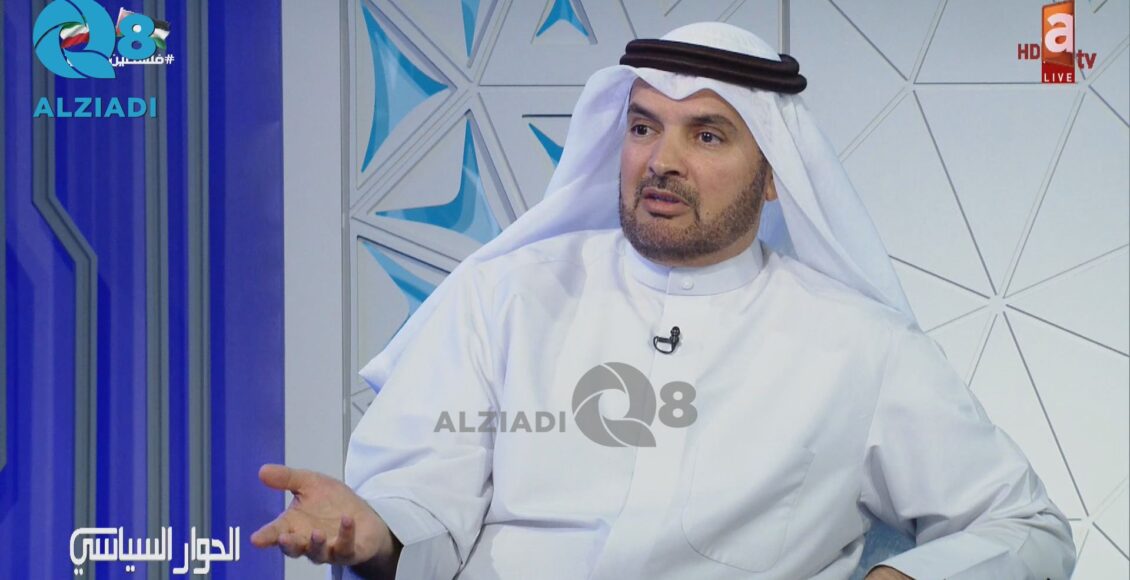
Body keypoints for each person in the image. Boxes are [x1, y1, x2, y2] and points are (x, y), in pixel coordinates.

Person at [251, 22, 1075, 580]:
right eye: (644, 128)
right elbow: (423, 502)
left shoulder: (861, 345)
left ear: (774, 174)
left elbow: (1027, 530)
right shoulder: (504, 295)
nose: (661, 161)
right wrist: (376, 532)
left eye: (706, 135)